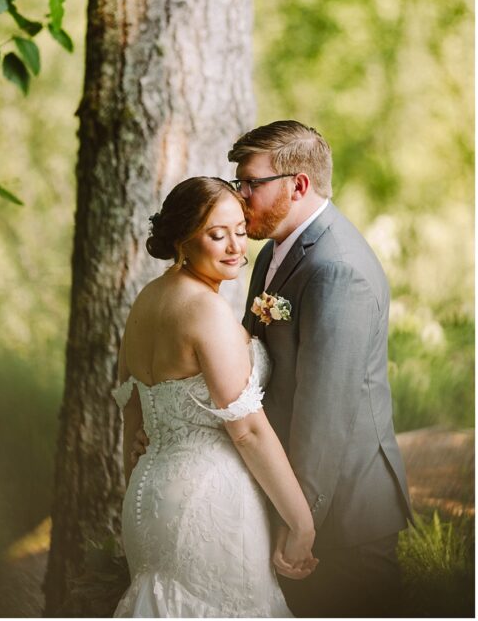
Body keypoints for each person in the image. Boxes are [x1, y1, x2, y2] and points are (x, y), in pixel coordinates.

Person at [228, 120, 412, 617]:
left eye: (252, 183)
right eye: (238, 183)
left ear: (299, 185)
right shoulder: (274, 250)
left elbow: (324, 410)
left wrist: (299, 521)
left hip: (344, 518)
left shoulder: (338, 268)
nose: (240, 195)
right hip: (295, 494)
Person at [112, 176, 317, 618]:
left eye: (240, 232)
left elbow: (132, 409)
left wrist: (140, 454)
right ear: (183, 240)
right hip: (207, 504)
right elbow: (247, 431)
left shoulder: (145, 302)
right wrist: (301, 522)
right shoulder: (205, 310)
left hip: (147, 500)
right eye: (216, 234)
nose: (234, 247)